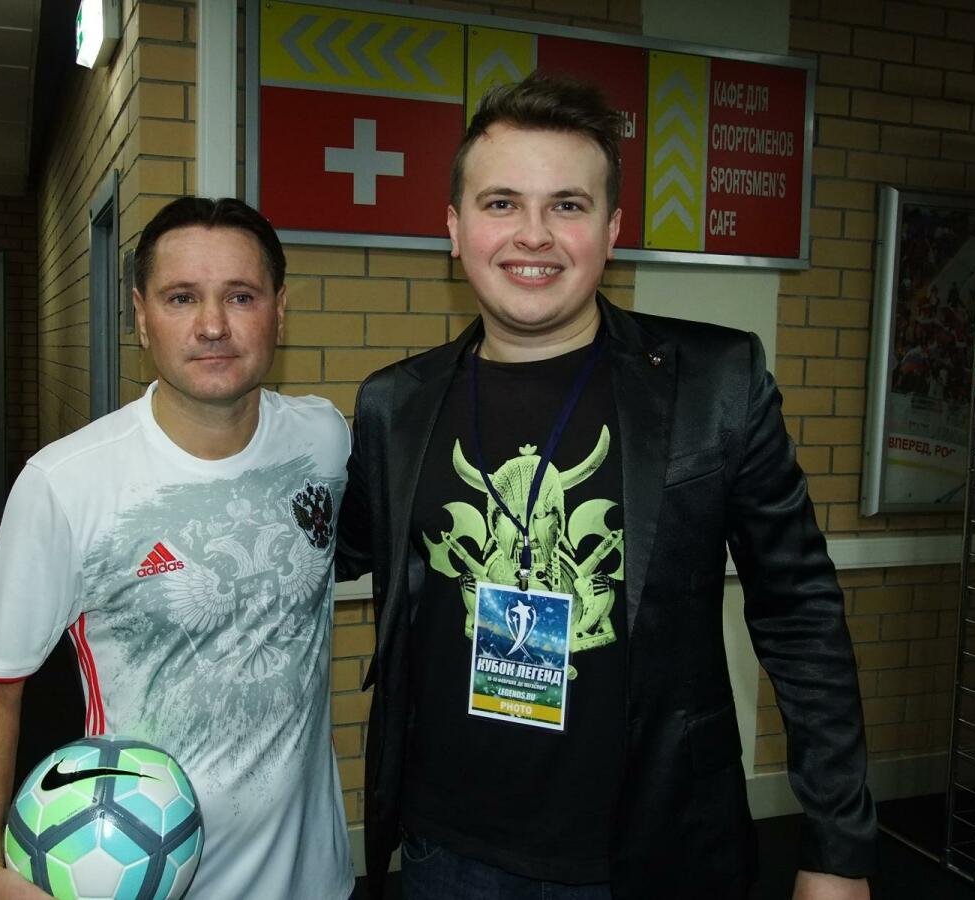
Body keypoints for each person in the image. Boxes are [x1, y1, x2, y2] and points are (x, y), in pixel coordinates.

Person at [336, 72, 876, 900]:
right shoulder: (394, 404)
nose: (534, 234)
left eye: (568, 205)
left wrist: (838, 848)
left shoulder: (713, 385)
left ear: (612, 229)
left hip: (654, 854)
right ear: (454, 228)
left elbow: (799, 611)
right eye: (502, 203)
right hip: (448, 853)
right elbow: (323, 549)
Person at [0, 197, 355, 900]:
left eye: (241, 296)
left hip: (317, 880)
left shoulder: (324, 440)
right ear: (140, 317)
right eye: (181, 297)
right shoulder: (66, 483)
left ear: (279, 310)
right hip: (141, 881)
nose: (213, 325)